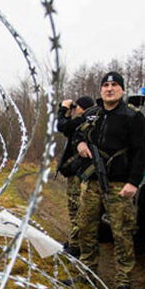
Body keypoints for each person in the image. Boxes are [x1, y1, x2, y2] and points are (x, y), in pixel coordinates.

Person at [74, 71, 145, 289]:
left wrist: (133, 182)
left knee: (122, 233)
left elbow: (142, 152)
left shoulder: (133, 117)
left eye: (114, 85)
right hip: (92, 182)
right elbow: (77, 133)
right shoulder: (92, 115)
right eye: (105, 85)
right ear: (100, 90)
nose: (109, 88)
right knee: (85, 226)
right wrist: (80, 144)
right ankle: (87, 273)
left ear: (122, 90)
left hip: (119, 184)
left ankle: (123, 281)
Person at [56, 95, 95, 256]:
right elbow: (66, 128)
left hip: (79, 173)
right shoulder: (86, 121)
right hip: (81, 171)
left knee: (76, 208)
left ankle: (76, 246)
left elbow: (62, 126)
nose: (75, 109)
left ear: (82, 108)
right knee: (78, 208)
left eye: (76, 106)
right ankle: (75, 242)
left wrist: (64, 109)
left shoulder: (83, 121)